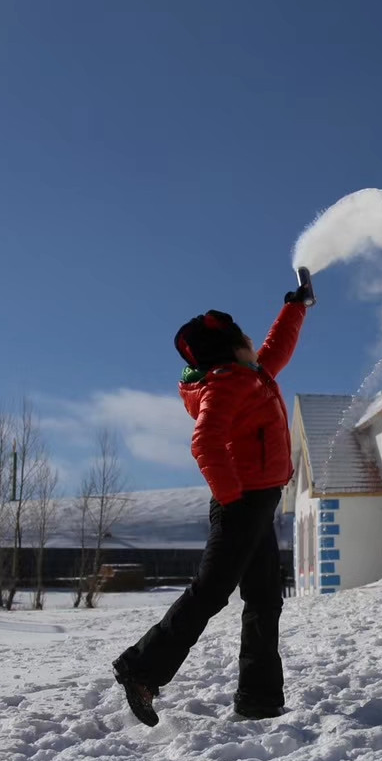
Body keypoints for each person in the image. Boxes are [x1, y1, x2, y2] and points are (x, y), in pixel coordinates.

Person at [113, 280, 313, 727]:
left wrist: (295, 307)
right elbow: (204, 443)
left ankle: (259, 700)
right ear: (228, 350)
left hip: (258, 501)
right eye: (243, 337)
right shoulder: (226, 385)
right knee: (210, 593)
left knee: (264, 599)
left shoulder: (249, 374)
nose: (251, 341)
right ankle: (141, 671)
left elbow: (275, 348)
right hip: (243, 502)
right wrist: (233, 497)